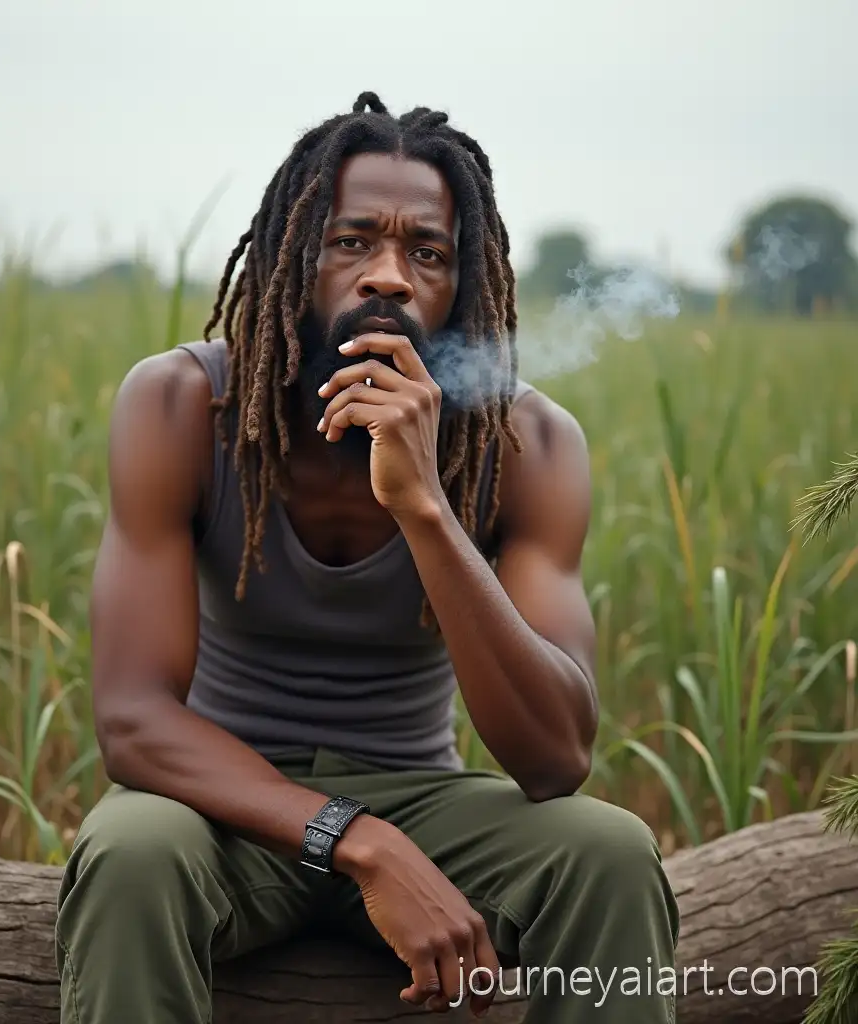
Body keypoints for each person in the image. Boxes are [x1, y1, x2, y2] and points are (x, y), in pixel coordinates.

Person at [55, 91, 680, 1023]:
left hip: (424, 796)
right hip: (221, 807)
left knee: (614, 856)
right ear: (290, 260)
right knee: (130, 855)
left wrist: (425, 506)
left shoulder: (530, 446)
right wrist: (362, 843)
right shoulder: (182, 406)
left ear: (463, 286)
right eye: (351, 242)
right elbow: (135, 723)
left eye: (426, 252)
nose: (387, 276)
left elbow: (554, 757)